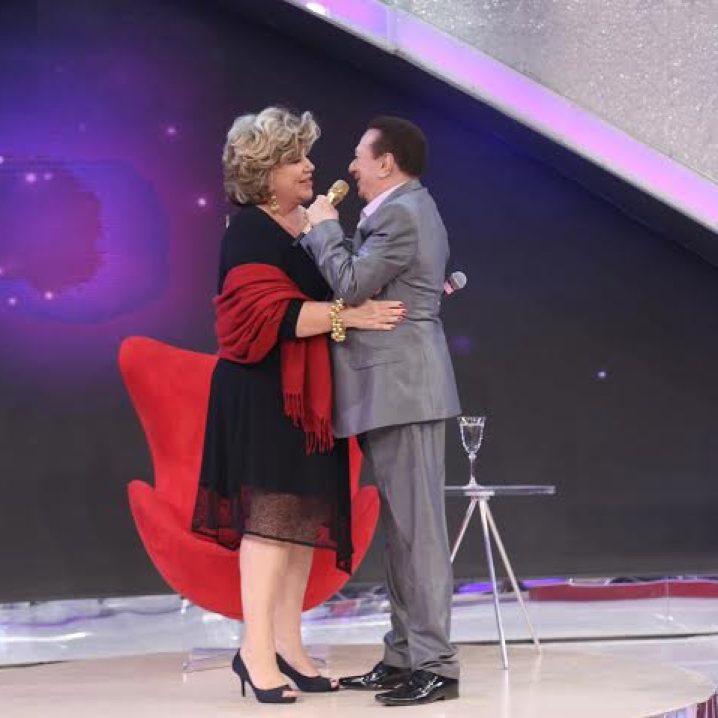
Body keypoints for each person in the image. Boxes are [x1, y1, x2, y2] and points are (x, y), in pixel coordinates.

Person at [191, 107, 406, 705]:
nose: (310, 166)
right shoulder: (249, 231)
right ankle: (255, 652)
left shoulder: (308, 224)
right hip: (262, 395)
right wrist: (349, 316)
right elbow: (263, 315)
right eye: (294, 159)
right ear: (263, 172)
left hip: (306, 399)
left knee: (298, 529)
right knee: (269, 526)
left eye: (306, 155)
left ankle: (287, 645)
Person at [303, 116, 462, 706]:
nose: (351, 167)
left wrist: (324, 226)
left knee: (418, 533)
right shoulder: (395, 212)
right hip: (390, 388)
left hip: (405, 388)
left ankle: (436, 665)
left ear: (386, 162)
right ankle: (404, 655)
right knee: (402, 533)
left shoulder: (402, 213)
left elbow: (349, 284)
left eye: (359, 157)